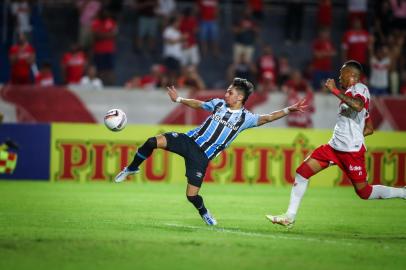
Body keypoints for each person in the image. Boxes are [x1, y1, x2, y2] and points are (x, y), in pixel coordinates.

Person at [115, 78, 307, 226]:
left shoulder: (246, 118)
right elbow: (198, 104)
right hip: (188, 140)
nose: (226, 94)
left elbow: (268, 117)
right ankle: (131, 168)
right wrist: (179, 99)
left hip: (202, 157)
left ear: (240, 97)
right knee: (152, 142)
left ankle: (204, 213)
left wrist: (288, 109)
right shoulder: (218, 104)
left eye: (230, 92)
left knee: (191, 196)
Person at [266, 60, 406, 229]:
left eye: (342, 73)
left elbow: (358, 106)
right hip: (333, 148)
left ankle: (403, 193)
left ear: (352, 75)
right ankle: (289, 216)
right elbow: (369, 128)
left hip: (350, 152)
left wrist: (333, 90)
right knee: (302, 173)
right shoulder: (349, 93)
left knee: (364, 192)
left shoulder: (359, 89)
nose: (339, 77)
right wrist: (353, 133)